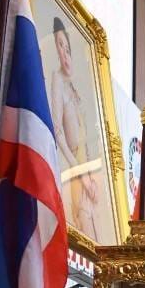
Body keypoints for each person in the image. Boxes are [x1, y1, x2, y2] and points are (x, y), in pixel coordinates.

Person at [49, 17, 101, 241]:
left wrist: (90, 177)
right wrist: (82, 175)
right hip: (77, 173)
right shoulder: (57, 80)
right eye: (58, 45)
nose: (63, 51)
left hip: (87, 172)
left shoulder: (74, 85)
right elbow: (58, 131)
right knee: (86, 237)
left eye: (65, 46)